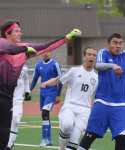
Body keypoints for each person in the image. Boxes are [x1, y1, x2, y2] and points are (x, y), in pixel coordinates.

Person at [0, 19, 81, 150]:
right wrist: (25, 49)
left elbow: (45, 47)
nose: (20, 33)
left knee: (4, 136)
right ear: (7, 33)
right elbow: (10, 48)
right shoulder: (3, 43)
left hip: (7, 98)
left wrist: (66, 38)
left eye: (20, 30)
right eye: (16, 31)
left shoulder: (22, 49)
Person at [77, 33, 125, 150]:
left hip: (121, 106)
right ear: (109, 44)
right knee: (90, 136)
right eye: (115, 43)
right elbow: (98, 65)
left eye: (120, 43)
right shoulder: (103, 52)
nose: (118, 46)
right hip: (102, 103)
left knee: (122, 139)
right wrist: (112, 66)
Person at [41, 47, 98, 150]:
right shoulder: (74, 71)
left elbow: (97, 95)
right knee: (67, 125)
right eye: (89, 54)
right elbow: (60, 80)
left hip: (85, 111)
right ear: (84, 56)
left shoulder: (96, 77)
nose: (92, 57)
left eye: (94, 55)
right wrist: (48, 84)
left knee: (74, 139)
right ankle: (61, 147)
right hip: (70, 106)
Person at [30, 51, 62, 146]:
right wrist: (28, 91)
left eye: (47, 52)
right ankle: (47, 139)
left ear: (50, 53)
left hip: (52, 93)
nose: (45, 54)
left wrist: (58, 94)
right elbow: (35, 79)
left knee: (45, 112)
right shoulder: (38, 65)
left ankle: (45, 139)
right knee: (44, 116)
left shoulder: (55, 64)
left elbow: (61, 79)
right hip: (42, 93)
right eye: (43, 52)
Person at [7, 64, 31, 149]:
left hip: (18, 99)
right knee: (5, 123)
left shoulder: (24, 67)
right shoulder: (5, 65)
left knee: (16, 119)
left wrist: (27, 91)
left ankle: (9, 145)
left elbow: (26, 80)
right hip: (6, 98)